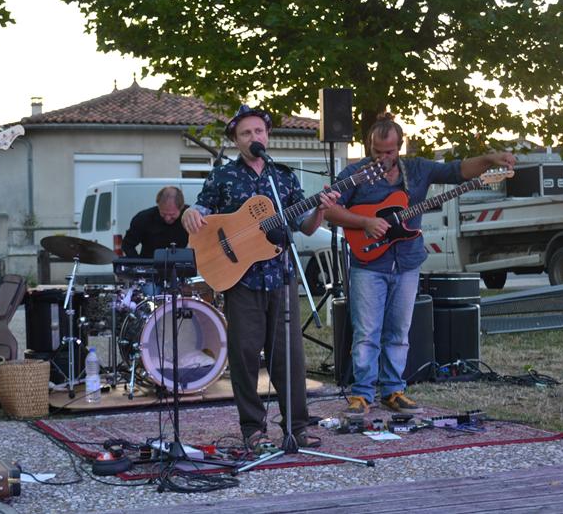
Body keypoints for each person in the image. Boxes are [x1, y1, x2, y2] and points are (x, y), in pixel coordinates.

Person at [323, 113, 515, 416]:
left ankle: (393, 390)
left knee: (399, 331)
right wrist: (365, 222)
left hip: (408, 261)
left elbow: (458, 170)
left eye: (389, 152)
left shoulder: (418, 169)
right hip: (368, 263)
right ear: (369, 147)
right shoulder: (356, 173)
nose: (383, 158)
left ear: (400, 147)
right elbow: (329, 211)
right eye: (376, 151)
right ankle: (361, 394)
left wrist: (490, 159)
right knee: (366, 332)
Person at [182, 105, 339, 451]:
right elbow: (201, 214)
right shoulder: (222, 177)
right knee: (245, 355)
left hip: (281, 276)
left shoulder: (282, 176)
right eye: (246, 133)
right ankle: (252, 428)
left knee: (289, 357)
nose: (255, 138)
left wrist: (322, 208)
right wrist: (189, 214)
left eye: (259, 132)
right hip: (241, 280)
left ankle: (297, 426)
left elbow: (307, 227)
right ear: (236, 140)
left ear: (267, 136)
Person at [121, 186, 189, 258]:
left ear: (181, 208)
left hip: (180, 265)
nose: (167, 218)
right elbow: (127, 245)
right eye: (163, 213)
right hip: (150, 264)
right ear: (158, 205)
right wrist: (139, 264)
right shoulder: (143, 219)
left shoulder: (190, 217)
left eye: (172, 214)